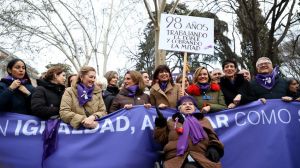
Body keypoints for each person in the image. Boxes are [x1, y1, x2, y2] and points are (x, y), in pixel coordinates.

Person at [154, 96, 224, 168]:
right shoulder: (171, 122)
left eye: (190, 104)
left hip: (201, 157)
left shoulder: (203, 120)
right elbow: (160, 139)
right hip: (175, 158)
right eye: (184, 104)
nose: (187, 105)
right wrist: (161, 125)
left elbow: (213, 137)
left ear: (194, 108)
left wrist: (214, 147)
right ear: (179, 108)